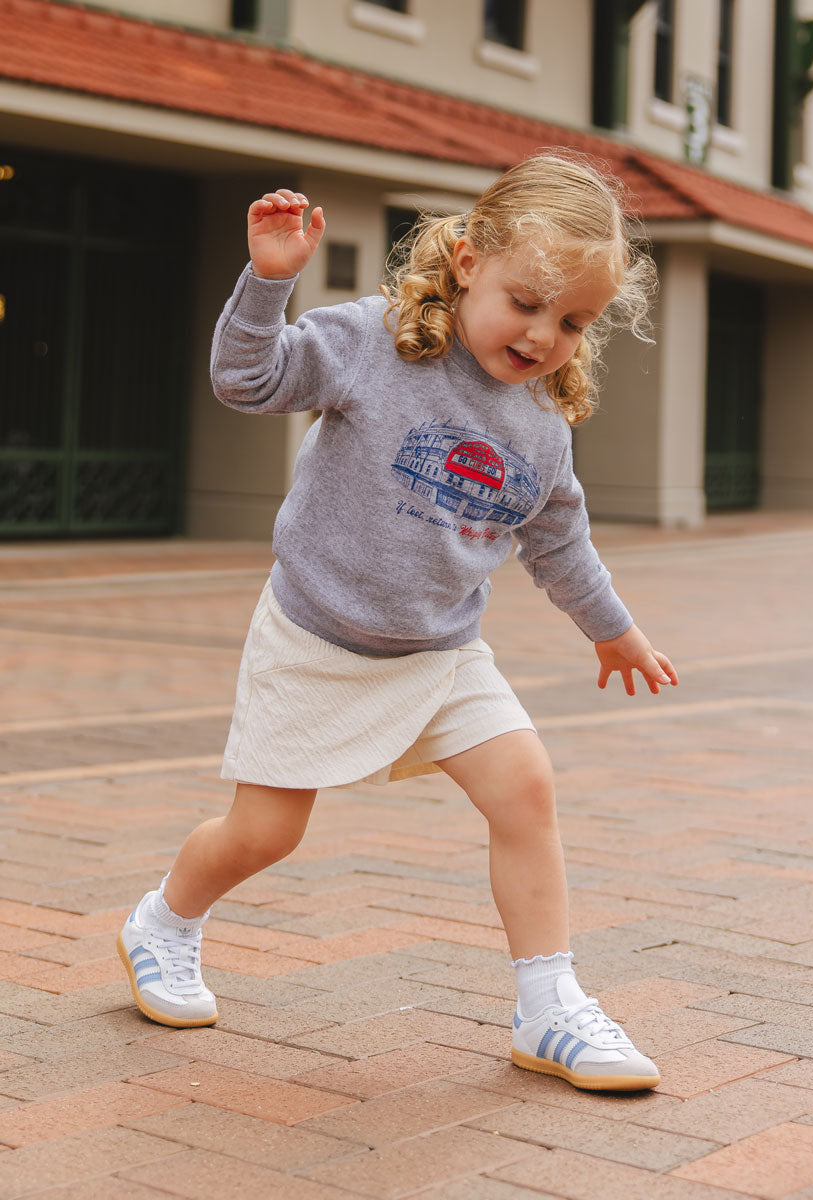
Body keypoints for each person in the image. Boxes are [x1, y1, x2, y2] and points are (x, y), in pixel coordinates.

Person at [118, 152, 678, 1092]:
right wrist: (269, 282)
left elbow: (559, 541)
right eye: (527, 302)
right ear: (465, 261)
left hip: (441, 653)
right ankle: (164, 924)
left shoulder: (540, 421)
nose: (544, 336)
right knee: (264, 836)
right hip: (315, 640)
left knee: (524, 787)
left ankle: (548, 1006)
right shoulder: (373, 344)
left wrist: (611, 628)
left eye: (573, 321)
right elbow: (247, 383)